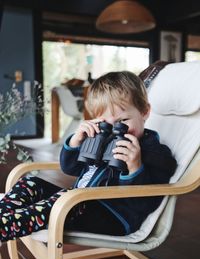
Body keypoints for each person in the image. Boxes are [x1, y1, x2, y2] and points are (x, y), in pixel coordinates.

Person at [0, 71, 177, 247]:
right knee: (31, 183)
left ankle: (6, 225)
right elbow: (69, 168)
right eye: (105, 123)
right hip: (79, 201)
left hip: (115, 218)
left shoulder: (157, 155)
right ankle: (4, 218)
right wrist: (76, 142)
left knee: (67, 199)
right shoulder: (101, 139)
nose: (116, 130)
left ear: (144, 112)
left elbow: (142, 204)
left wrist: (134, 169)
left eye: (123, 120)